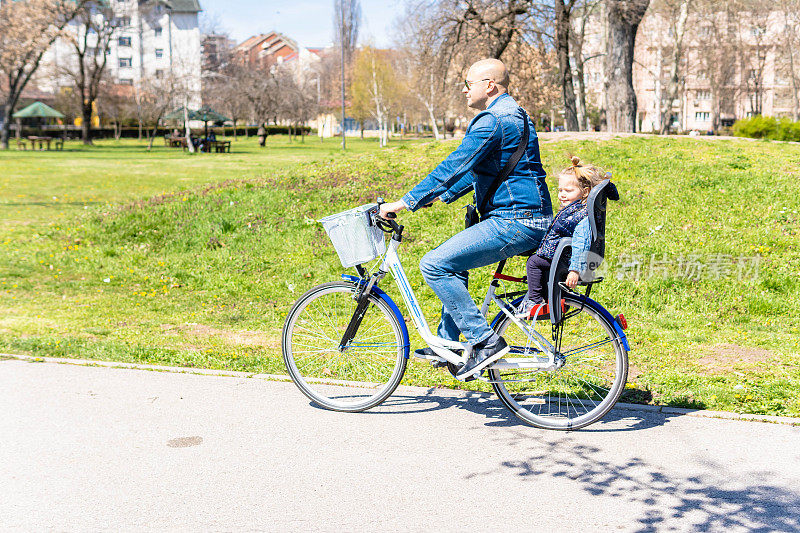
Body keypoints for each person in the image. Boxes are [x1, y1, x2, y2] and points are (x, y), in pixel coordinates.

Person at [379, 58, 553, 379]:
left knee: (434, 264)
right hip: (531, 217)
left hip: (515, 221)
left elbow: (455, 164)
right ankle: (448, 343)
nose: (463, 90)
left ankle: (484, 341)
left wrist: (405, 202)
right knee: (452, 262)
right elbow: (478, 171)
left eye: (468, 83)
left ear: (489, 86)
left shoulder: (493, 121)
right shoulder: (518, 116)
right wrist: (435, 197)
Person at [518, 156, 606, 319]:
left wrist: (574, 270)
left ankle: (535, 302)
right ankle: (540, 295)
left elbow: (582, 244)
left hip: (565, 259)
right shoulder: (574, 210)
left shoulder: (581, 216)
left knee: (534, 262)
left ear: (585, 191)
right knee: (537, 266)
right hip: (560, 255)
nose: (562, 195)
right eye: (560, 190)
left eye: (568, 191)